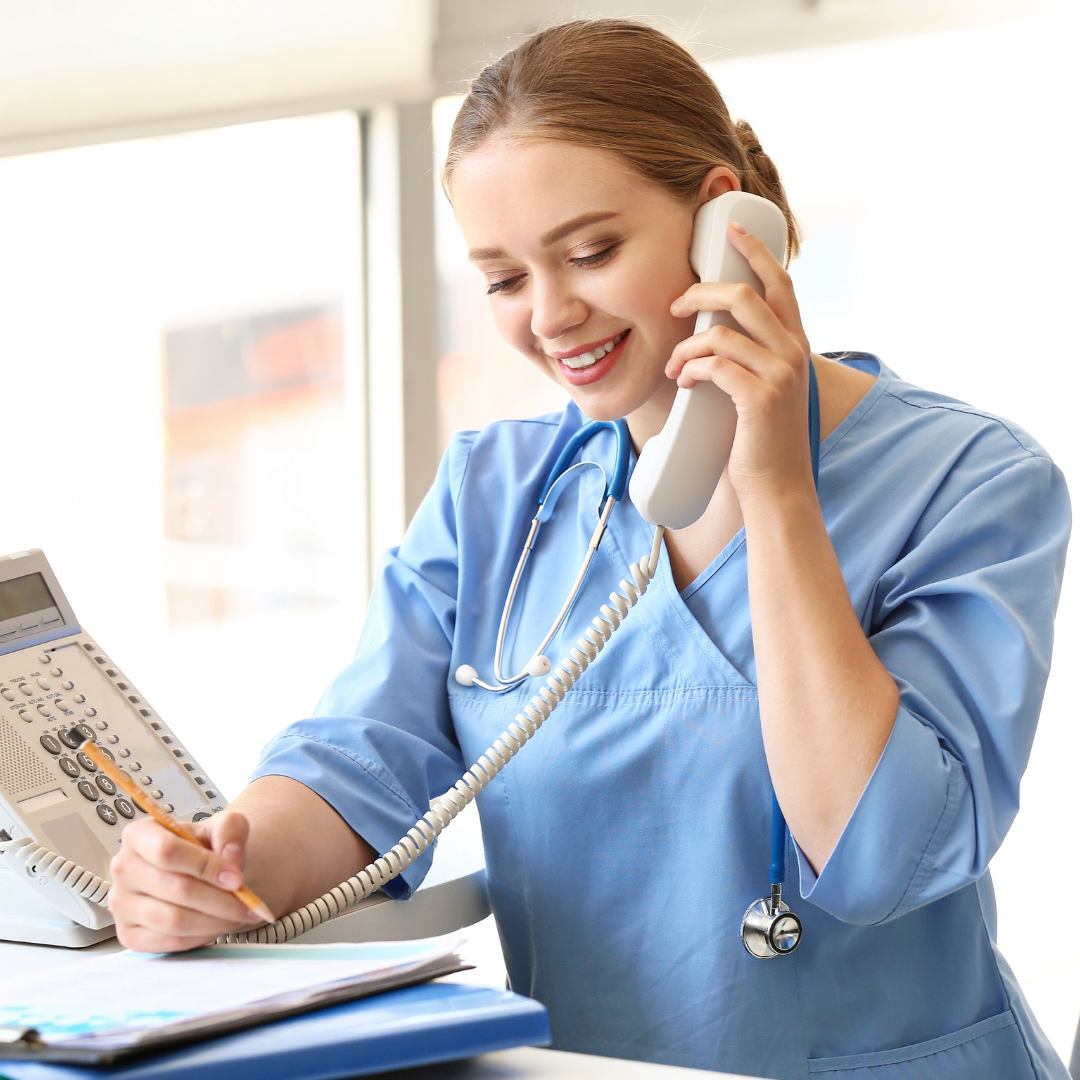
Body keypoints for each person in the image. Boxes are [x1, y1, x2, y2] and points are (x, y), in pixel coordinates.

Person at [108, 19, 1071, 1080]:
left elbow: (880, 855)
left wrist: (776, 489)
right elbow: (359, 771)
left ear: (724, 224)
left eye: (590, 251)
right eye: (503, 278)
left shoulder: (971, 482)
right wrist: (216, 867)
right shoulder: (497, 495)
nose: (550, 316)